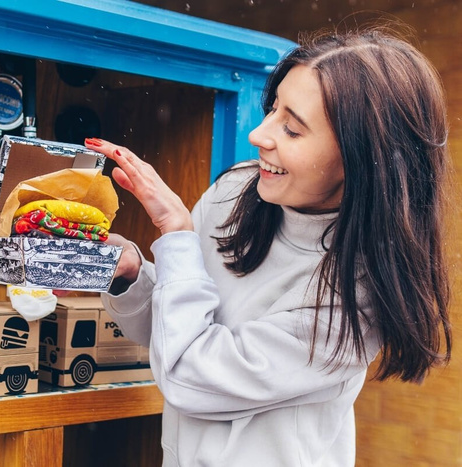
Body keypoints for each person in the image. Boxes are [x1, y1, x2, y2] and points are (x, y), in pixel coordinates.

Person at [83, 25, 452, 467]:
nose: (260, 135)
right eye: (273, 110)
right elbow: (172, 330)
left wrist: (177, 233)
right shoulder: (237, 193)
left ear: (360, 160)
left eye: (292, 130)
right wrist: (132, 274)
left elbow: (190, 377)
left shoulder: (355, 295)